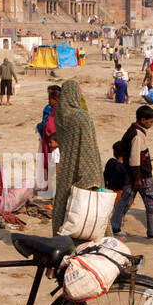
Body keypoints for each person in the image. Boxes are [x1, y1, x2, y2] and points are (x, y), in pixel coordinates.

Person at [50, 79, 101, 235]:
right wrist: (93, 176)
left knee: (65, 203)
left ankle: (62, 239)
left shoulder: (60, 117)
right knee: (88, 208)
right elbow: (89, 147)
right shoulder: (82, 117)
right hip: (83, 166)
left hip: (65, 167)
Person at [109, 105, 153, 239]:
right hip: (141, 176)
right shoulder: (136, 135)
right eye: (150, 121)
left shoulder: (132, 131)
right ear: (142, 120)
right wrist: (137, 179)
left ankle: (115, 225)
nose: (151, 124)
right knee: (151, 202)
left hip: (132, 174)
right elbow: (135, 159)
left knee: (125, 200)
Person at [36, 84, 61, 198]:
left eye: (49, 99)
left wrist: (43, 127)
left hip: (51, 142)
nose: (48, 101)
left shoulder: (54, 109)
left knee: (51, 167)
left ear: (54, 99)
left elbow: (50, 126)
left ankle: (50, 190)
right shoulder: (58, 109)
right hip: (53, 141)